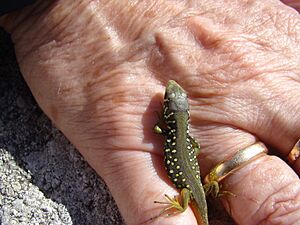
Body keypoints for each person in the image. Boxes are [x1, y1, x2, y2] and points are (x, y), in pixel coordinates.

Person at [1, 0, 300, 224]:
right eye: (173, 97)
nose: (171, 91)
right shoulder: (177, 132)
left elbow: (162, 132)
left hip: (191, 191)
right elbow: (188, 144)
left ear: (174, 113)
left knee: (192, 201)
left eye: (173, 97)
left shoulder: (167, 130)